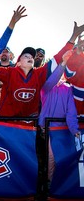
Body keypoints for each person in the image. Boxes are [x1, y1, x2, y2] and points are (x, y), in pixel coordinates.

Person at [0, 21, 84, 117]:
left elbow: (57, 57)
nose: (30, 58)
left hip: (28, 124)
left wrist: (73, 37)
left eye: (31, 57)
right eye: (26, 56)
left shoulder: (39, 73)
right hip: (6, 122)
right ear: (18, 63)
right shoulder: (10, 72)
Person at [38, 50, 80, 181]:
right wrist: (63, 63)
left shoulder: (68, 89)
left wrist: (74, 129)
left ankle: (53, 188)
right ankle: (47, 187)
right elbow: (53, 79)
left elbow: (71, 112)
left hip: (61, 131)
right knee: (49, 159)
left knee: (58, 160)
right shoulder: (45, 87)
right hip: (46, 130)